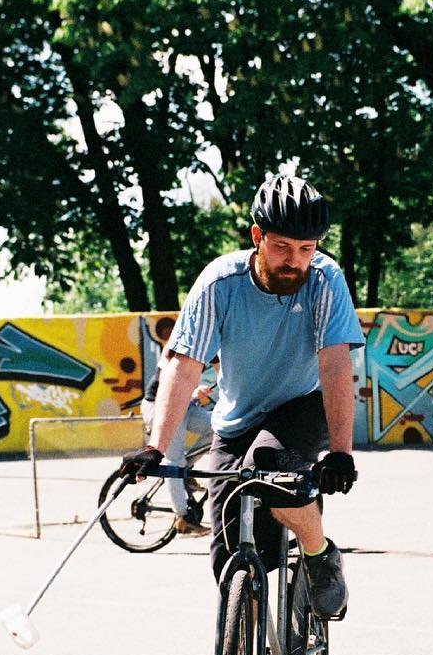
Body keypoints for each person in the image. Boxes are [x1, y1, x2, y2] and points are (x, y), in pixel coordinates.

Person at [121, 173, 363, 618]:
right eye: (282, 247)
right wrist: (155, 447)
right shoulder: (221, 283)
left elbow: (334, 363)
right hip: (236, 420)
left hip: (303, 403)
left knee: (270, 465)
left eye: (306, 249)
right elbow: (184, 363)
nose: (295, 261)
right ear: (257, 236)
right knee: (228, 554)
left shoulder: (325, 280)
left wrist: (341, 453)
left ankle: (319, 553)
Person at [139, 360, 215, 536]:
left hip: (185, 405)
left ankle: (185, 470)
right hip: (162, 406)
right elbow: (169, 385)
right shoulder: (178, 349)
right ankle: (184, 518)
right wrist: (193, 393)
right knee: (174, 460)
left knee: (218, 428)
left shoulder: (207, 350)